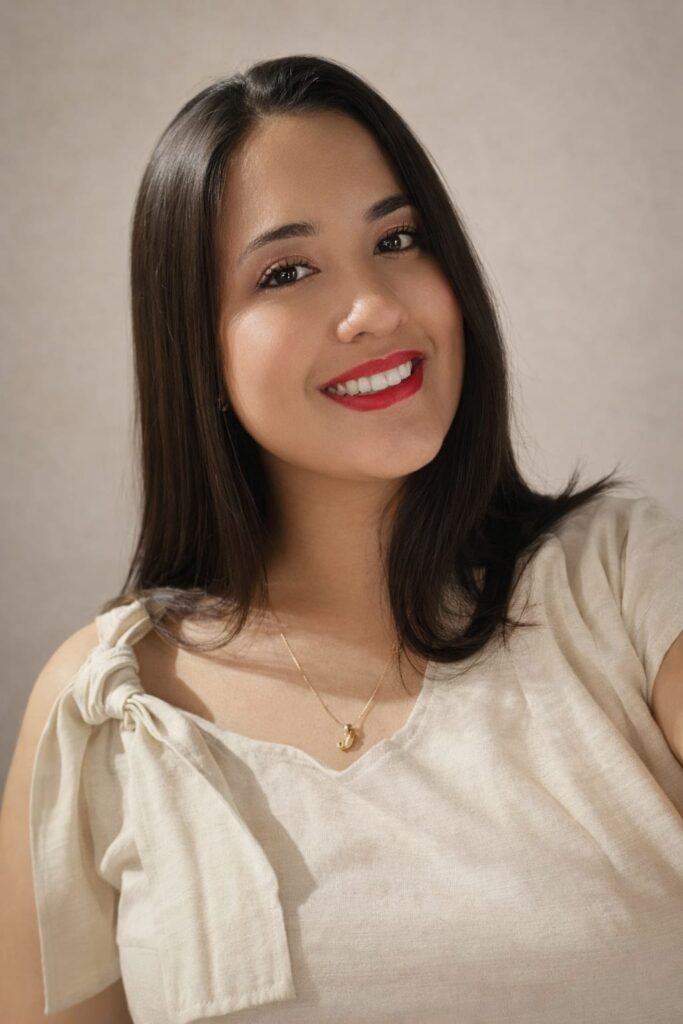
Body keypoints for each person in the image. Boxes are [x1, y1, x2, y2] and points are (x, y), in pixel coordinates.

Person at [1, 53, 682, 1024]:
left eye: (397, 239)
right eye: (286, 271)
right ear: (198, 348)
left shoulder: (619, 582)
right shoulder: (107, 710)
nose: (377, 308)